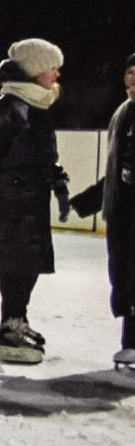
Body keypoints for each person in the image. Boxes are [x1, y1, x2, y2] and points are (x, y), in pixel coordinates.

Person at [0, 39, 69, 364]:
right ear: (36, 71)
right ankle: (9, 327)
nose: (57, 73)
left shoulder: (36, 107)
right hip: (8, 205)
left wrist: (58, 183)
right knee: (15, 266)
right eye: (52, 67)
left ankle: (17, 321)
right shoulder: (10, 107)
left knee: (28, 267)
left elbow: (46, 156)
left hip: (30, 203)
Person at [71, 51, 135, 368]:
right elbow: (117, 171)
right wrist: (88, 201)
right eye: (130, 72)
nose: (134, 78)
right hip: (123, 212)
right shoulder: (123, 113)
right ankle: (130, 342)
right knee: (123, 275)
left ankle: (132, 342)